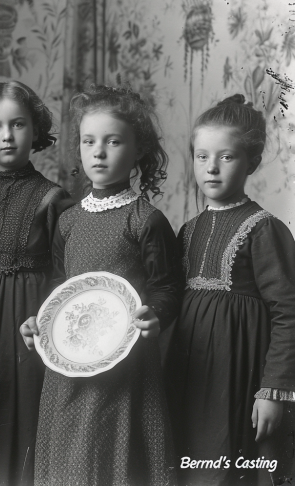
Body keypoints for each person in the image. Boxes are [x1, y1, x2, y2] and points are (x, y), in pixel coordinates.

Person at [20, 84, 180, 486]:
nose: (99, 151)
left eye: (113, 141)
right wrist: (39, 322)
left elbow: (167, 286)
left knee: (113, 455)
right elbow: (61, 283)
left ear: (138, 149)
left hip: (124, 364)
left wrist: (154, 314)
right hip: (70, 363)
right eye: (89, 141)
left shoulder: (146, 220)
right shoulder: (69, 219)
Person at [166, 94, 295, 485]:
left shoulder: (264, 228)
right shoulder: (187, 230)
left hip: (239, 378)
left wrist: (273, 391)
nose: (212, 168)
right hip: (192, 376)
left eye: (227, 157)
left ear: (251, 163)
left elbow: (288, 313)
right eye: (202, 156)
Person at [0, 81, 71, 486]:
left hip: (28, 326)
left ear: (36, 130)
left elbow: (65, 275)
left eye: (18, 124)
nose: (7, 136)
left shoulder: (54, 199)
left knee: (23, 413)